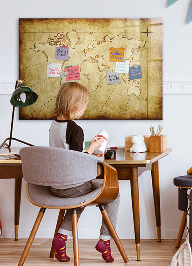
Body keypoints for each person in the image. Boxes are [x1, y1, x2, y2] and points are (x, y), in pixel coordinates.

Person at [49, 82, 120, 263]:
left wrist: (90, 150)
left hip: (55, 186)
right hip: (72, 186)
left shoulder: (54, 125)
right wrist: (94, 148)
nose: (84, 109)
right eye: (84, 105)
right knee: (114, 194)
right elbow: (77, 161)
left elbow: (66, 154)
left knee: (79, 198)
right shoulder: (75, 129)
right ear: (75, 105)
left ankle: (62, 238)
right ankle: (105, 240)